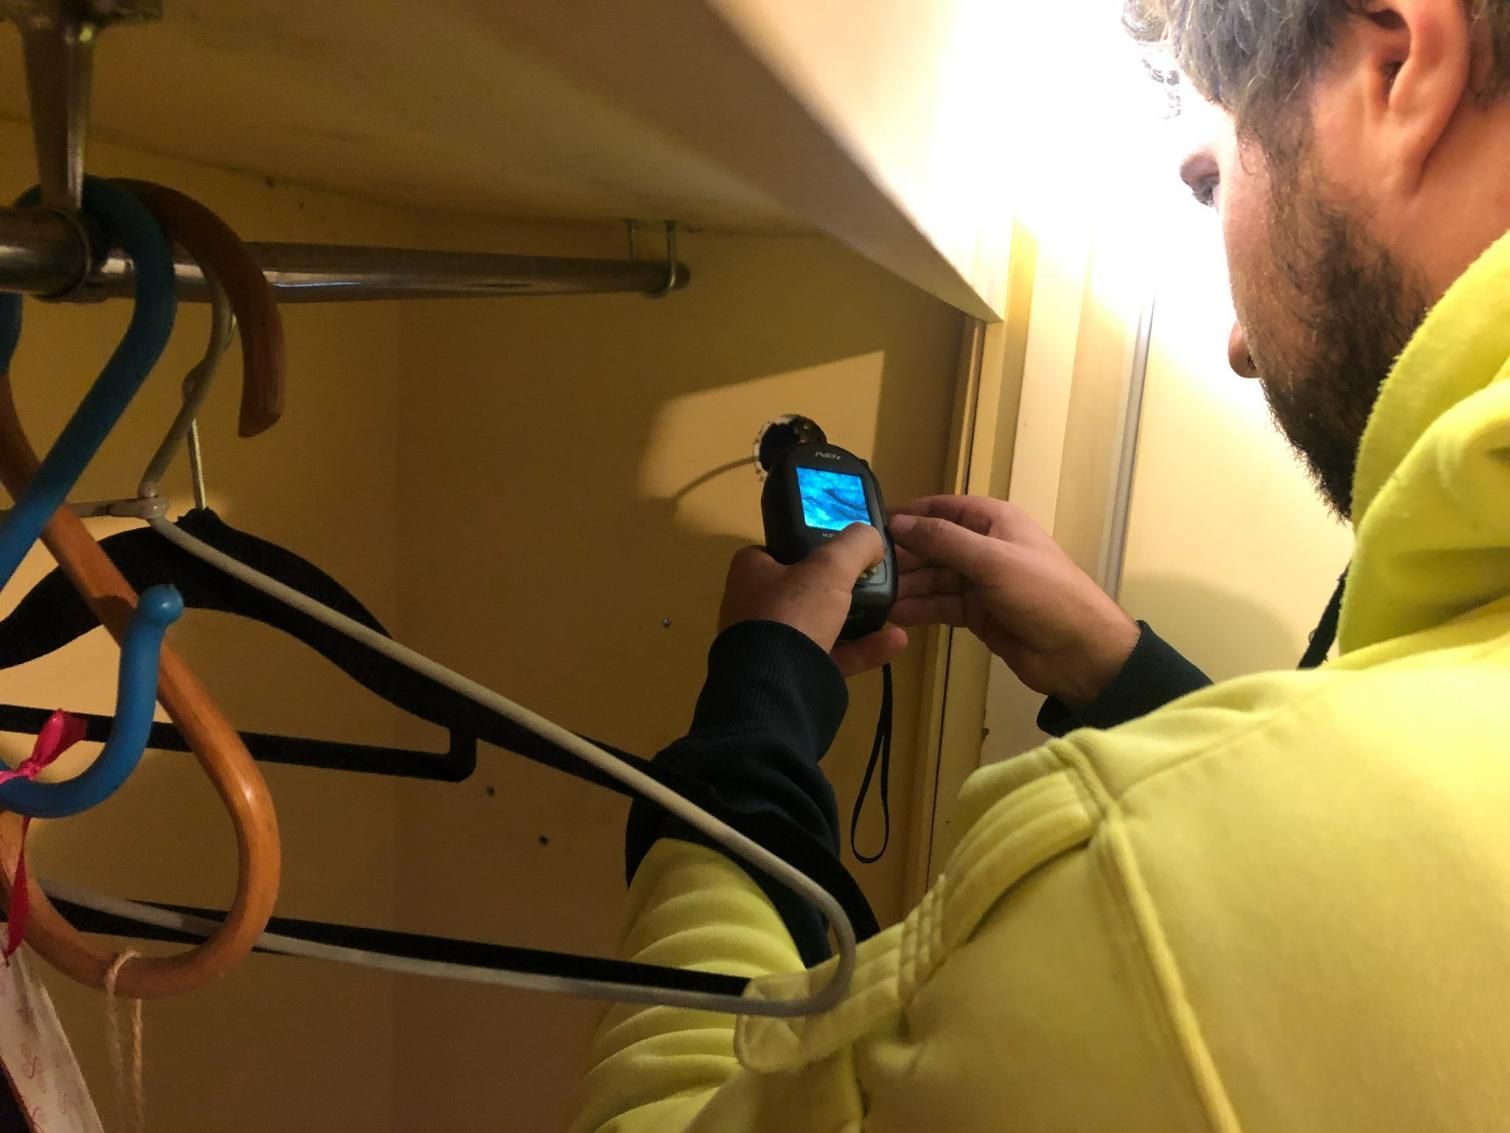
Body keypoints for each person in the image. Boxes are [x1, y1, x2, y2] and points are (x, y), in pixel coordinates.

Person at [572, 0, 1510, 1128]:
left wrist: (755, 697)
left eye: (1211, 183)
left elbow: (664, 1113)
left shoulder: (1148, 887)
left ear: (1400, 63)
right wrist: (1116, 671)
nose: (1240, 346)